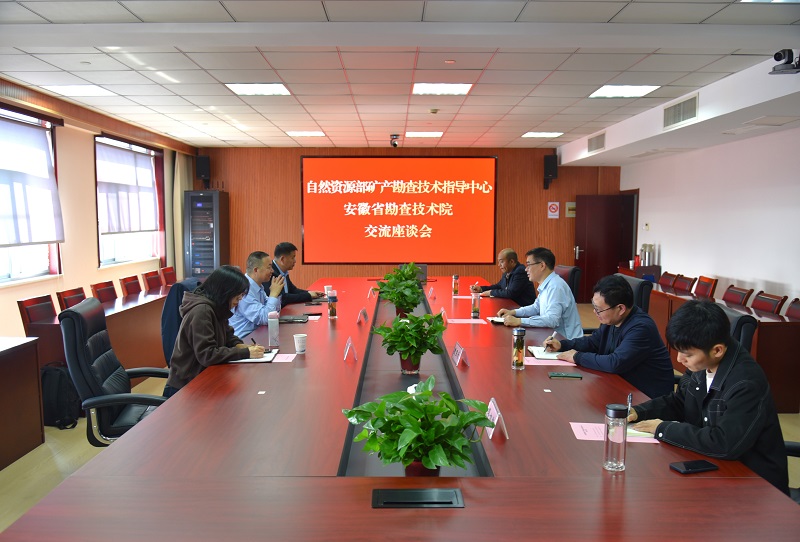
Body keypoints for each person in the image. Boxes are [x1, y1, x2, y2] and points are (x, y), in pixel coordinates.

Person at [628, 300, 789, 495]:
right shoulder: (704, 363)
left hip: (755, 485)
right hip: (713, 467)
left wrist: (663, 429)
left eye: (687, 354)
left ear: (717, 350)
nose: (679, 359)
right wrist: (639, 411)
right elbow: (680, 401)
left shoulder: (746, 383)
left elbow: (724, 443)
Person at [542, 275, 673, 398]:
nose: (595, 312)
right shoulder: (612, 319)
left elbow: (615, 362)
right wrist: (562, 345)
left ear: (620, 309)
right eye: (594, 306)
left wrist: (577, 357)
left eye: (599, 309)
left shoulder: (641, 328)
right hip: (619, 386)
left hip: (645, 398)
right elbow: (594, 342)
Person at [164, 265, 264, 398]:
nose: (239, 299)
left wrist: (239, 345)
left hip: (204, 378)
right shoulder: (202, 311)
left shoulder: (217, 307)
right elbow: (207, 354)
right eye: (238, 295)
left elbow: (228, 335)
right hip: (186, 387)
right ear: (225, 291)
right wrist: (245, 353)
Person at [497, 247, 583, 340]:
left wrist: (519, 321)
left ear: (542, 265)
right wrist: (513, 312)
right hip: (550, 337)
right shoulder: (547, 284)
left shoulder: (555, 287)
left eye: (529, 265)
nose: (526, 269)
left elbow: (552, 320)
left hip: (566, 342)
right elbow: (536, 307)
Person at [229, 250, 286, 338]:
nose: (272, 270)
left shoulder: (258, 286)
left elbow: (274, 312)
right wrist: (273, 295)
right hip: (244, 339)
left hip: (257, 335)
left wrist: (276, 294)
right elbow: (265, 318)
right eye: (269, 267)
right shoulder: (244, 289)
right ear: (256, 270)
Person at [470, 248, 536, 307]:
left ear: (511, 262)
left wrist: (491, 292)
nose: (499, 265)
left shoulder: (520, 272)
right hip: (512, 307)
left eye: (501, 262)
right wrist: (481, 289)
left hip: (524, 309)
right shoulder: (507, 271)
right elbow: (499, 286)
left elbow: (511, 293)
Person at [265, 242, 324, 306]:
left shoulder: (284, 272)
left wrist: (309, 292)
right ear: (282, 259)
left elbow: (293, 290)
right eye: (292, 257)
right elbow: (283, 298)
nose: (295, 261)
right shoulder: (271, 273)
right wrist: (308, 295)